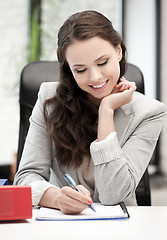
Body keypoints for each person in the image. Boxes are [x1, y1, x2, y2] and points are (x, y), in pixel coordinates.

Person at [14, 10, 166, 214]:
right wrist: (57, 198)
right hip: (61, 223)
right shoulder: (49, 99)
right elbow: (26, 177)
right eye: (80, 69)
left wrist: (106, 111)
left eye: (102, 62)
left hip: (121, 228)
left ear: (119, 51)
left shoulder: (150, 112)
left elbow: (113, 195)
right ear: (69, 68)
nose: (95, 77)